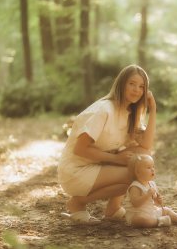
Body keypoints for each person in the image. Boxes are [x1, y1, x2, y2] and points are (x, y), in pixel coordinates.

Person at [58, 64, 156, 224]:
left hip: (97, 165)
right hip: (75, 171)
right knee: (135, 172)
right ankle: (78, 202)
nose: (136, 90)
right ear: (121, 84)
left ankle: (114, 209)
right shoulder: (104, 110)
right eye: (132, 84)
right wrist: (116, 159)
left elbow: (146, 146)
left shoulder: (131, 114)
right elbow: (80, 149)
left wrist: (153, 109)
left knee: (142, 158)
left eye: (141, 86)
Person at [125, 154, 177, 228]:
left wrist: (158, 201)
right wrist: (147, 195)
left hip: (150, 212)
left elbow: (155, 203)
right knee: (139, 220)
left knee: (166, 210)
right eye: (148, 167)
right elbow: (135, 204)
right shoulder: (135, 186)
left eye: (153, 167)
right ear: (138, 172)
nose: (152, 169)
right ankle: (159, 221)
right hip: (138, 215)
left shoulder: (152, 184)